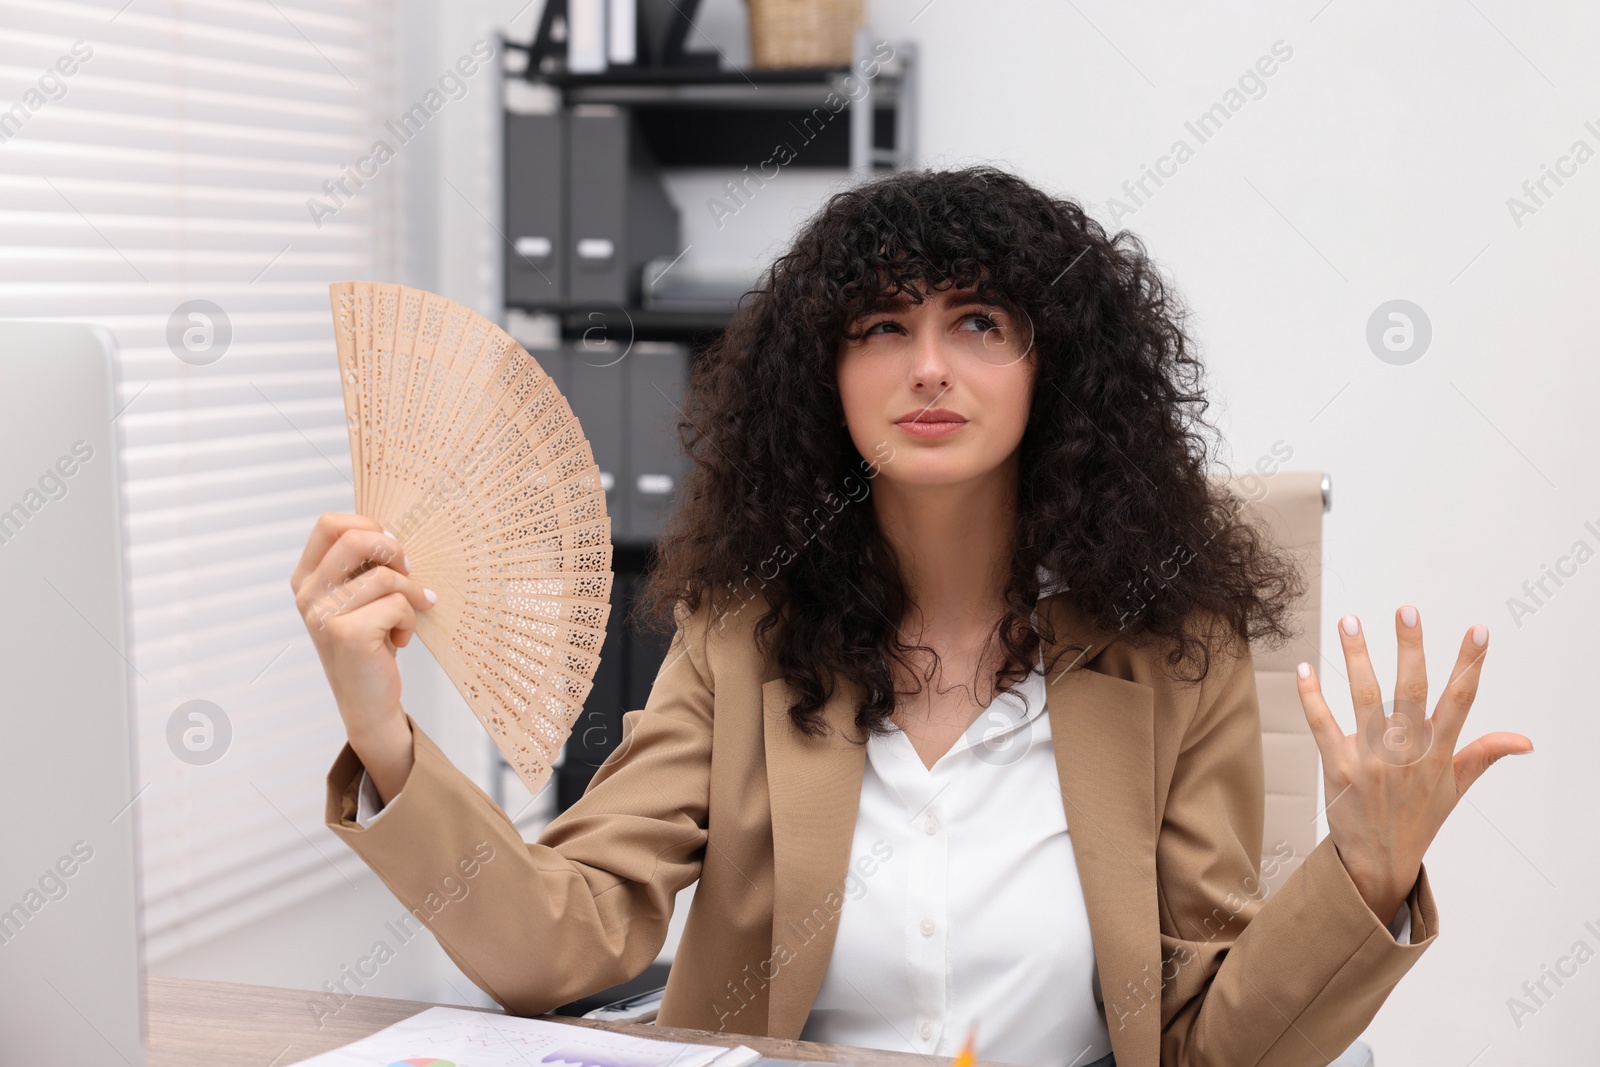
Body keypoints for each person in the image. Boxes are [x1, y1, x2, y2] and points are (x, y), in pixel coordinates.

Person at [292, 166, 1532, 1067]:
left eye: (977, 323)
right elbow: (564, 944)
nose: (927, 366)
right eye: (882, 327)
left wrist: (1367, 872)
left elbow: (1213, 1043)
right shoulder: (740, 632)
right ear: (822, 381)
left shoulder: (1172, 651)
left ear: (1053, 370)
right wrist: (385, 731)